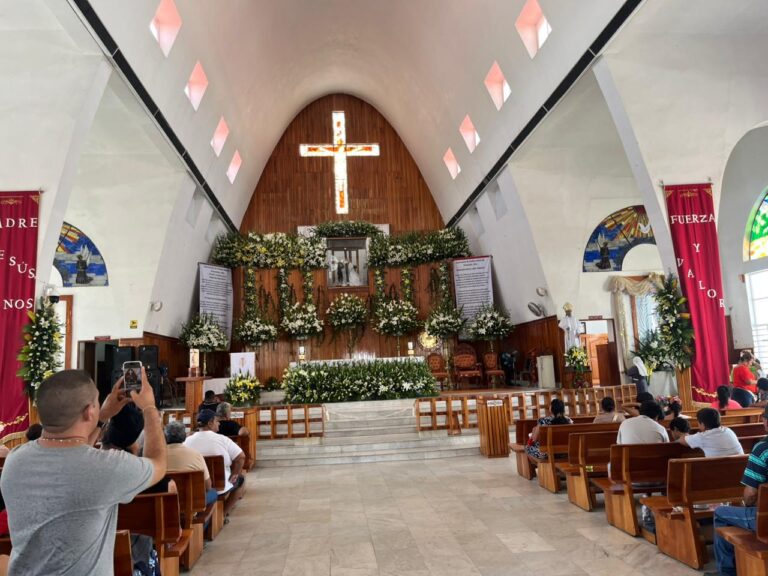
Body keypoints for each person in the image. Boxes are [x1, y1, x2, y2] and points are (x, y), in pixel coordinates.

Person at [0, 368, 166, 575]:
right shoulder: (106, 468)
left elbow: (74, 455)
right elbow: (158, 463)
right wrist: (149, 408)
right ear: (89, 411)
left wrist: (102, 414)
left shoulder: (15, 460)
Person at [712, 405, 768, 576]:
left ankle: (726, 572)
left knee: (720, 512)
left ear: (765, 422)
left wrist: (746, 505)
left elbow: (750, 494)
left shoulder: (763, 449)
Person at [184, 410, 246, 514]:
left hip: (194, 487)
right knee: (241, 480)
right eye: (217, 421)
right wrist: (235, 473)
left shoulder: (187, 441)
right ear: (210, 423)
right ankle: (224, 513)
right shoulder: (222, 439)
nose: (219, 423)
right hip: (220, 485)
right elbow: (241, 457)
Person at [165, 420, 218, 507]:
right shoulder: (196, 455)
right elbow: (208, 485)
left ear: (165, 436)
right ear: (184, 436)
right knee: (213, 492)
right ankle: (204, 520)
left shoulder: (155, 457)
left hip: (165, 504)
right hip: (192, 504)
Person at [678, 408, 743, 457]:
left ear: (702, 425)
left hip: (720, 472)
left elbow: (681, 440)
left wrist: (685, 433)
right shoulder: (728, 430)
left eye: (698, 422)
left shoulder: (703, 437)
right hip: (742, 470)